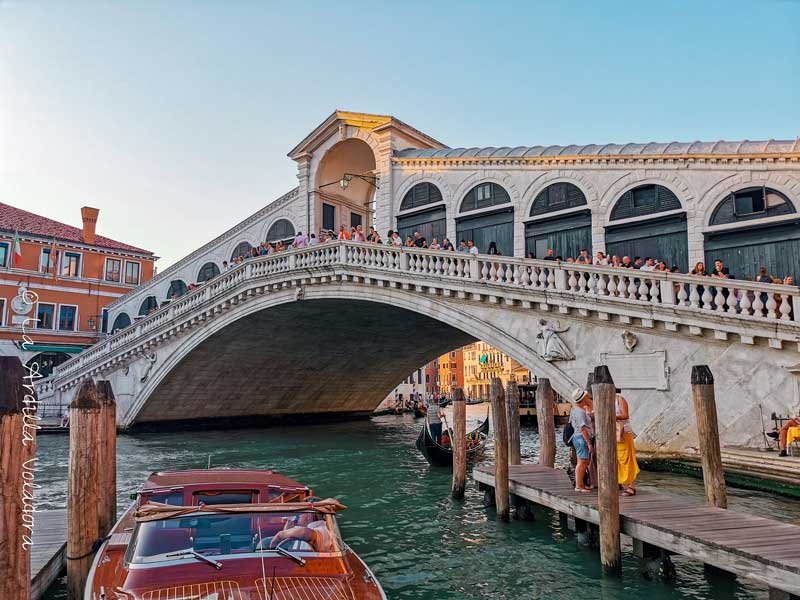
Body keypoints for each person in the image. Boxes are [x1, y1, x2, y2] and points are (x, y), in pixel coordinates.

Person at [569, 388, 594, 493]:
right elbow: (582, 428)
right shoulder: (580, 412)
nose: (588, 398)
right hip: (581, 438)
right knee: (582, 462)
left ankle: (581, 484)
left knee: (582, 461)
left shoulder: (577, 410)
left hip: (578, 437)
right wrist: (589, 443)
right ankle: (578, 485)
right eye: (586, 396)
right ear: (583, 398)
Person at [615, 389, 640, 495]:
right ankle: (618, 481)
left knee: (627, 458)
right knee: (615, 458)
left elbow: (625, 415)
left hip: (623, 432)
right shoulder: (604, 400)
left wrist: (610, 415)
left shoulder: (619, 400)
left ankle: (631, 486)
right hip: (612, 433)